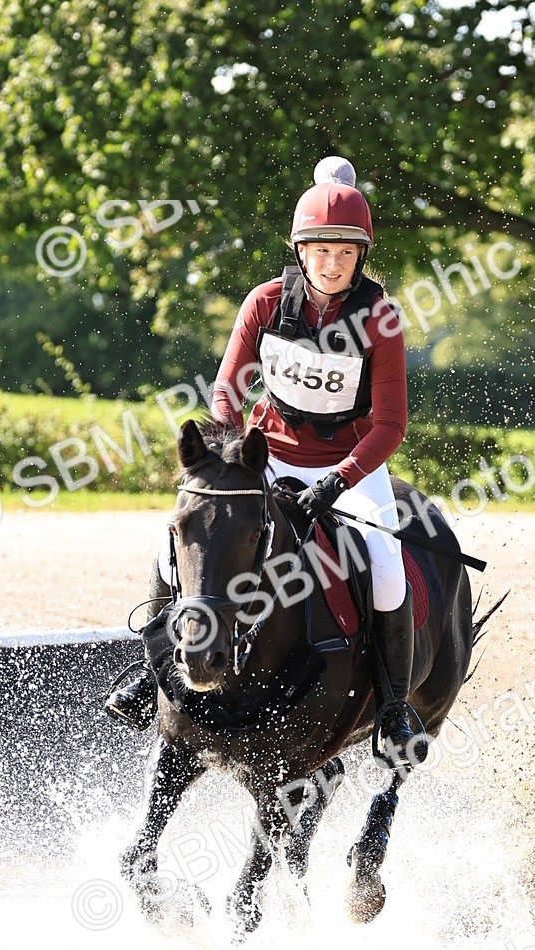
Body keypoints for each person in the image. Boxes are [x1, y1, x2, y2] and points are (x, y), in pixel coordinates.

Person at [105, 156, 425, 767]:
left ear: (361, 256)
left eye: (346, 254)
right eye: (320, 251)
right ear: (300, 250)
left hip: (349, 467)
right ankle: (152, 675)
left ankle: (391, 708)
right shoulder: (265, 302)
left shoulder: (379, 319)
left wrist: (336, 482)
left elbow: (390, 426)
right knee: (178, 540)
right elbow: (227, 390)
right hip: (266, 457)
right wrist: (226, 452)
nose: (332, 265)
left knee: (385, 565)